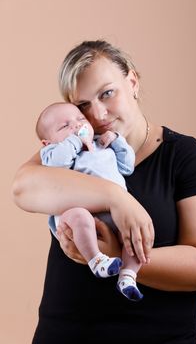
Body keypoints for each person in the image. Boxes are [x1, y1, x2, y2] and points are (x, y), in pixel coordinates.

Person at [12, 40, 196, 343]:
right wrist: (117, 198)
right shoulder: (71, 148)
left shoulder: (183, 155)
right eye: (82, 105)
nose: (97, 114)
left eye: (107, 93)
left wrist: (116, 253)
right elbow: (22, 188)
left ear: (133, 82)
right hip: (64, 333)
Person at [36, 101, 144, 301]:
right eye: (64, 126)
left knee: (133, 231)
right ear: (47, 142)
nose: (76, 126)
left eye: (80, 119)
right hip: (75, 215)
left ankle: (128, 275)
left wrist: (116, 140)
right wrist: (76, 141)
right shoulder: (52, 153)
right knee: (81, 217)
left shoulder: (101, 144)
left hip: (113, 212)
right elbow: (57, 165)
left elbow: (127, 166)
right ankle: (96, 261)